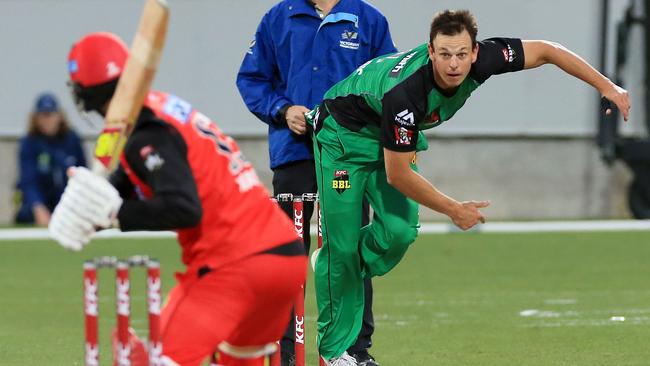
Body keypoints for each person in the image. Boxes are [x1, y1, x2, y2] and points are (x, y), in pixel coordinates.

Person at [302, 9, 631, 365]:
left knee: (397, 233)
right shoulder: (406, 95)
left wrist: (606, 85)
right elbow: (398, 175)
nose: (454, 64)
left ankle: (338, 266)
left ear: (475, 52)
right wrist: (453, 209)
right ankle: (336, 351)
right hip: (342, 138)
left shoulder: (485, 59)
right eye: (444, 54)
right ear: (430, 52)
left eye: (461, 54)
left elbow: (548, 50)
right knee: (343, 247)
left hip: (388, 139)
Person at [49, 32, 307, 366]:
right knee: (238, 359)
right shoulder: (161, 110)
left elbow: (184, 209)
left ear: (84, 92)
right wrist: (96, 211)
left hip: (232, 264)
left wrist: (116, 215)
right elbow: (127, 183)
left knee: (154, 361)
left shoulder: (149, 132)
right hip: (284, 259)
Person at [236, 1, 396, 364]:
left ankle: (354, 349)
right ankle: (284, 351)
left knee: (347, 247)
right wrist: (282, 109)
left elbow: (389, 82)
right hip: (295, 153)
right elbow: (252, 78)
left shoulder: (368, 20)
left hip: (348, 158)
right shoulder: (279, 18)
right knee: (287, 253)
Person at [14, 92, 86, 226]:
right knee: (25, 215)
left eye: (51, 115)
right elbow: (28, 180)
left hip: (67, 201)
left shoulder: (72, 139)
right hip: (42, 200)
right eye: (43, 115)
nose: (47, 120)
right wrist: (38, 207)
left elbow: (83, 172)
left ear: (59, 116)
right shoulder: (29, 142)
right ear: (36, 118)